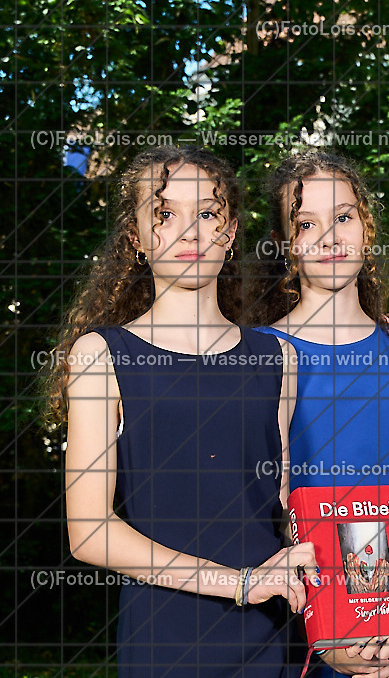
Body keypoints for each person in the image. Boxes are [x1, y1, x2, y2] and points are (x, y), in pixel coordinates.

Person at [50, 146, 319, 676]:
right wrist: (236, 583)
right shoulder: (102, 354)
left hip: (272, 637)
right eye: (165, 213)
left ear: (231, 231)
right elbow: (89, 531)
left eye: (209, 213)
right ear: (137, 238)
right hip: (168, 639)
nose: (190, 232)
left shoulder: (276, 356)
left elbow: (281, 504)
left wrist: (354, 586)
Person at [249, 151, 389, 678]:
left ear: (367, 227)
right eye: (306, 224)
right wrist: (326, 628)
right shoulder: (261, 357)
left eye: (342, 217)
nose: (329, 238)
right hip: (300, 637)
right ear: (286, 246)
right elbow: (265, 508)